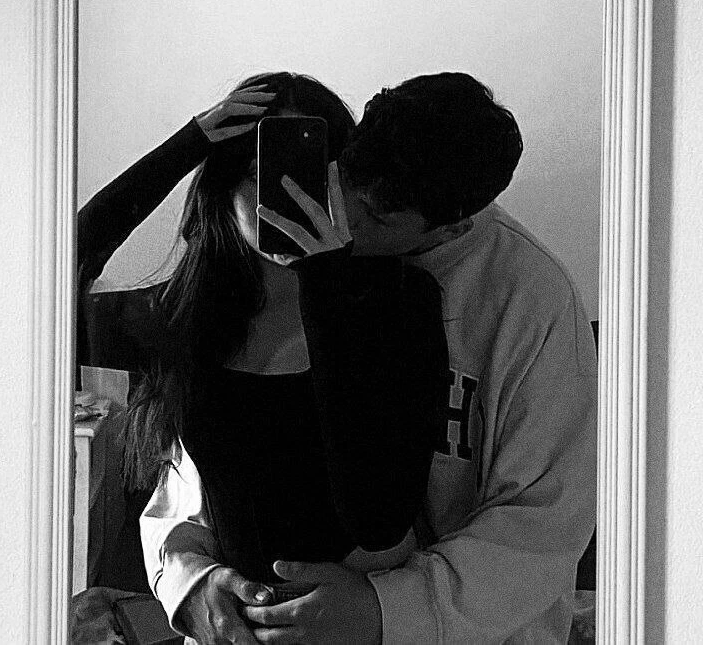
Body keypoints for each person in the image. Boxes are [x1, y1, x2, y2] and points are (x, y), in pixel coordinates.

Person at [76, 72, 449, 644]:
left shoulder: (400, 304)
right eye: (263, 175)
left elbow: (378, 519)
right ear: (224, 190)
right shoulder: (181, 317)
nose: (287, 199)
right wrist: (185, 146)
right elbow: (43, 285)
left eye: (310, 179)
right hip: (228, 631)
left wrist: (327, 281)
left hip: (363, 625)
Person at [240, 72, 597, 644]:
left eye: (379, 218)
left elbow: (543, 522)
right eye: (348, 183)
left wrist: (383, 610)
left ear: (454, 226)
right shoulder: (291, 244)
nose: (346, 217)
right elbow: (212, 437)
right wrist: (191, 578)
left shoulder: (532, 301)